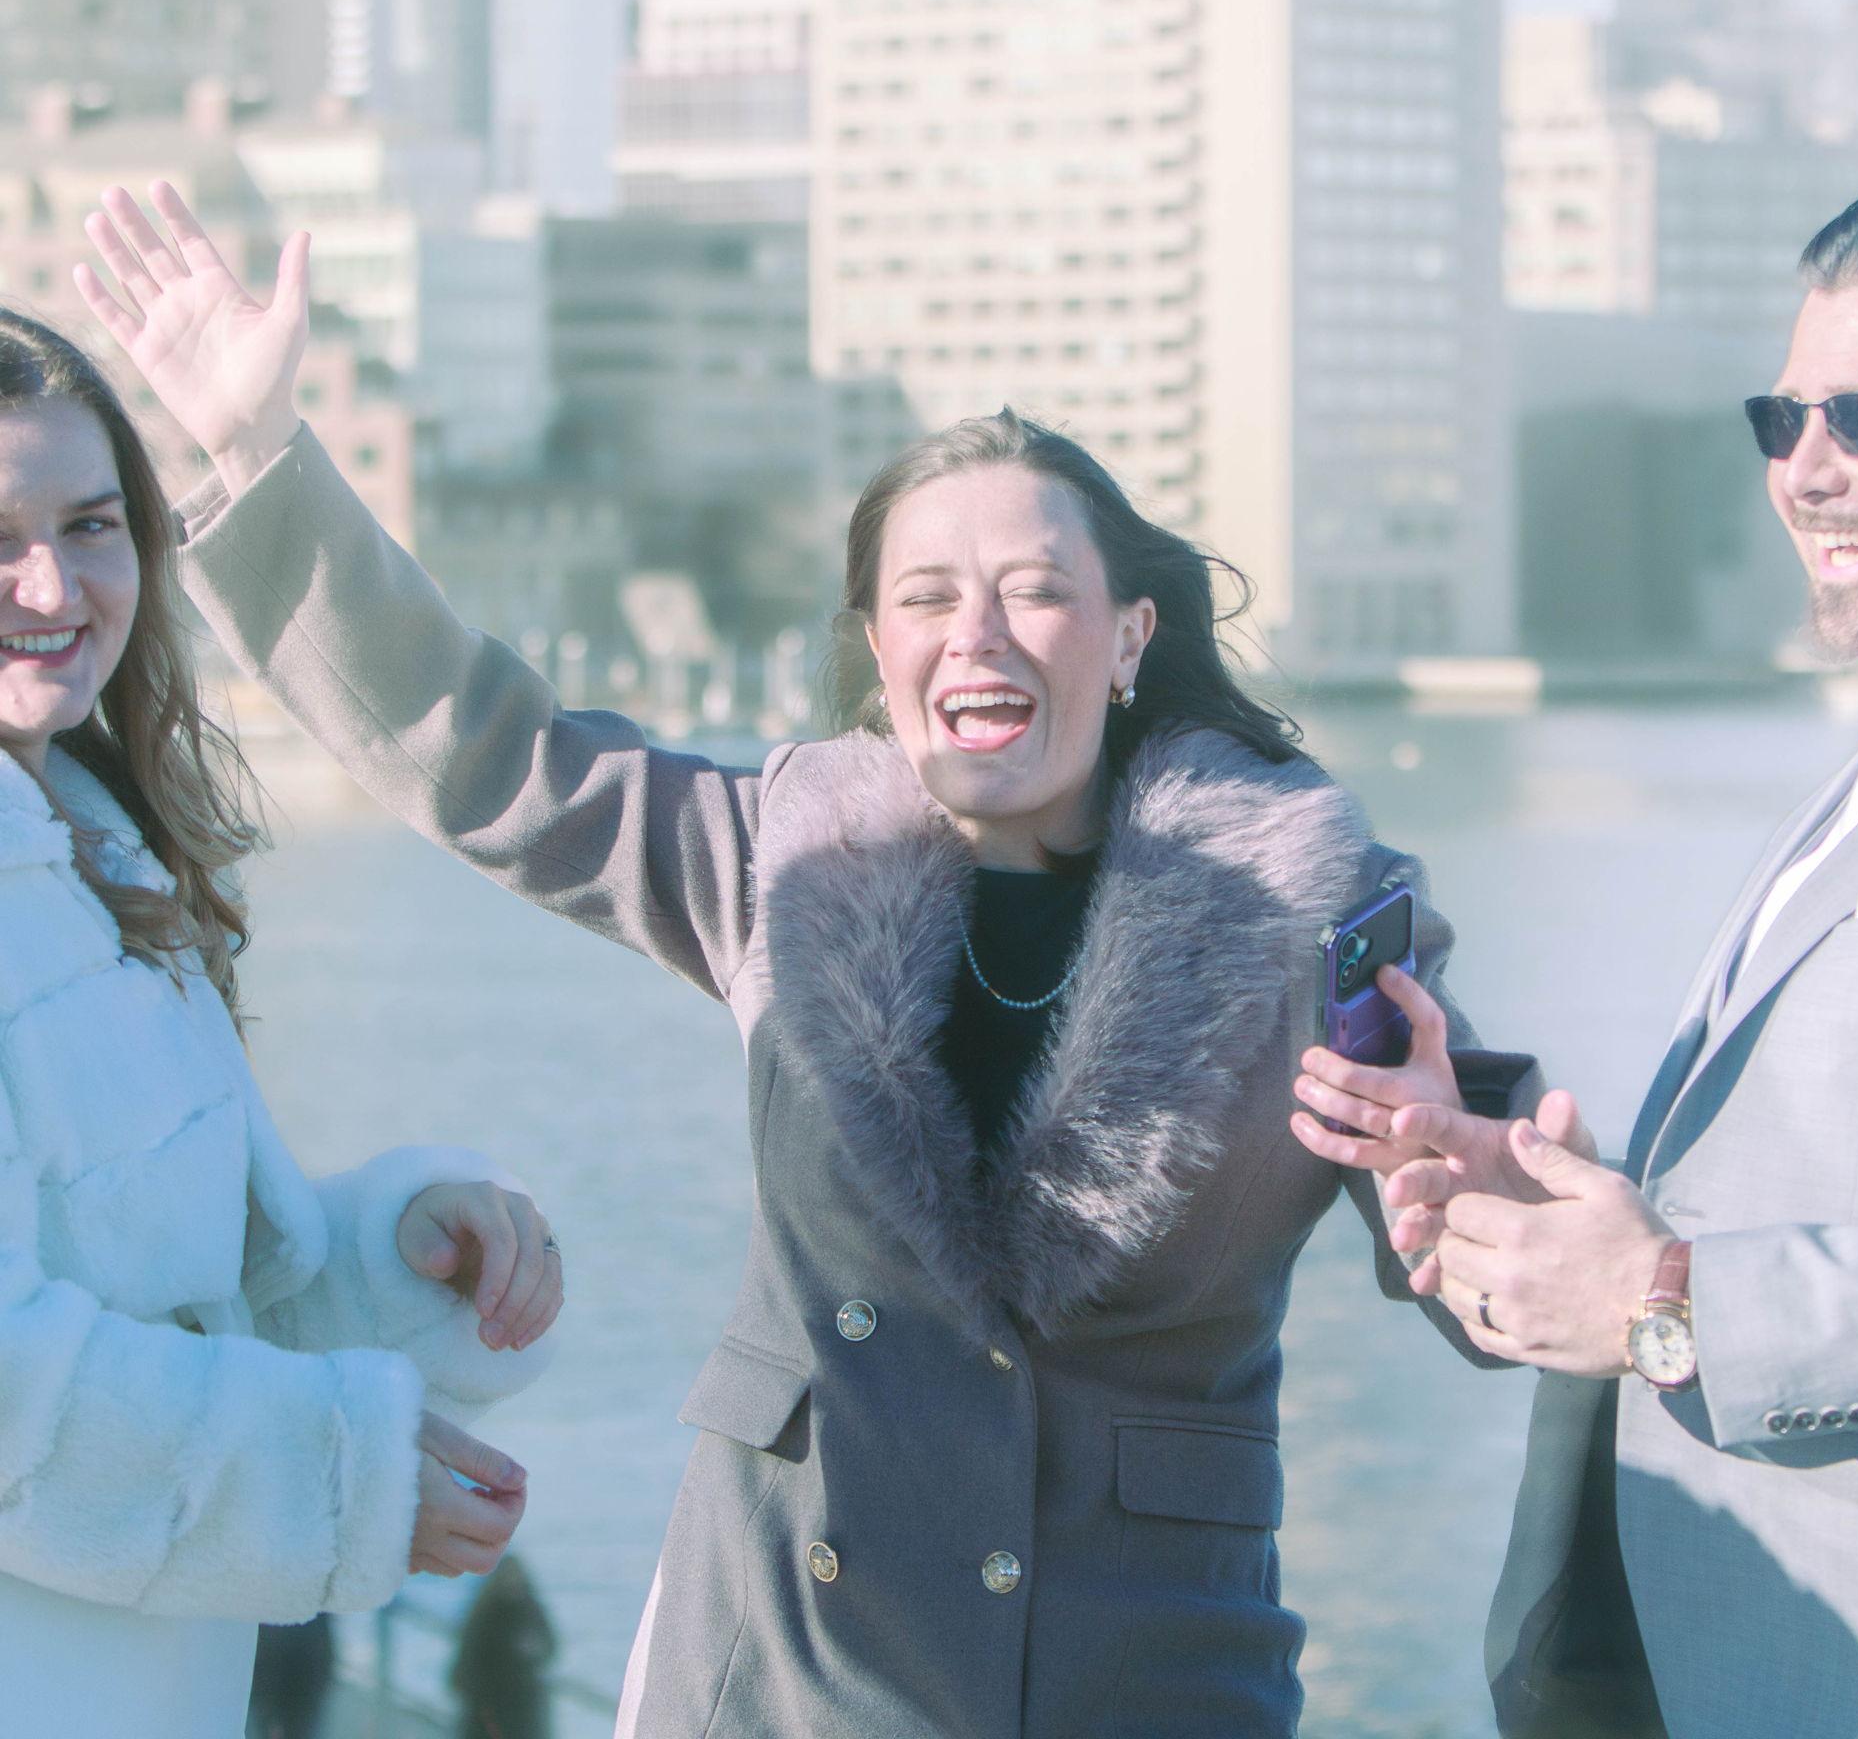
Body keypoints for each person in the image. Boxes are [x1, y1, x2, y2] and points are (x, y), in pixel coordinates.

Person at [77, 179, 1545, 1738]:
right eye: (928, 598)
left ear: (1127, 639)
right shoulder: (785, 855)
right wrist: (260, 453)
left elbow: (1500, 1265)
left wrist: (1474, 1191)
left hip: (1147, 1676)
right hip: (788, 1671)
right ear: (881, 651)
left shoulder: (1307, 911)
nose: (980, 631)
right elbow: (493, 757)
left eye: (1038, 591)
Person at [1353, 182, 1858, 1738]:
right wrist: (1546, 1213)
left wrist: (1668, 1295)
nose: (1805, 469)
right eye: (1783, 419)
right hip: (1728, 1655)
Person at [0, 305, 566, 1737]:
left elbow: (186, 1303)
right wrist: (338, 1478)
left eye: (91, 524)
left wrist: (401, 1255)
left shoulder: (97, 858)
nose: (51, 583)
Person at [450, 1555, 559, 1739]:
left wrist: (532, 1650)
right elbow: (469, 1657)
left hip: (523, 1703)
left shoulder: (531, 1610)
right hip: (490, 1703)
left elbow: (550, 1646)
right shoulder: (486, 1615)